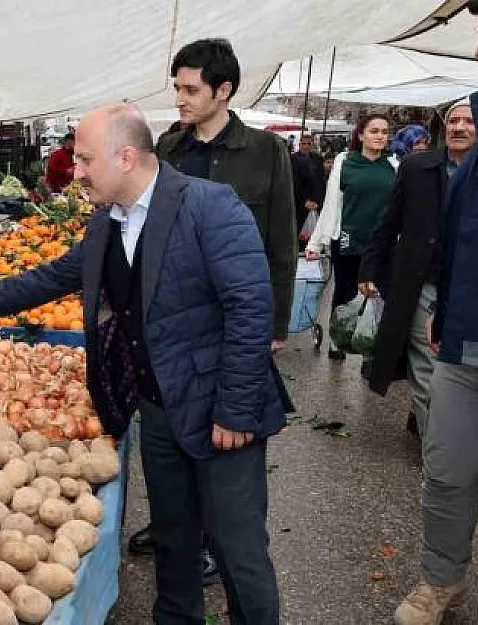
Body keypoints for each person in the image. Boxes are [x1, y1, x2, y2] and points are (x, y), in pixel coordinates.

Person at [0, 103, 285, 625]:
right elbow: (50, 279)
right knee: (174, 540)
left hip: (218, 411)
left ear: (127, 156)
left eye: (86, 159)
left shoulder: (210, 205)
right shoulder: (106, 223)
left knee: (237, 550)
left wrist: (236, 409)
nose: (77, 170)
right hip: (157, 410)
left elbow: (251, 308)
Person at [393, 1, 478, 623]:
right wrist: (447, 307)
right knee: (445, 479)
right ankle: (441, 581)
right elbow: (469, 229)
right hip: (464, 346)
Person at [146, 37, 297, 572]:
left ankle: (220, 541)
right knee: (175, 419)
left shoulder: (264, 152)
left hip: (239, 318)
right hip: (175, 321)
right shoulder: (167, 150)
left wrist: (276, 325)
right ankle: (177, 524)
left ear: (224, 90)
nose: (181, 98)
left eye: (191, 89)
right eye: (178, 87)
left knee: (230, 428)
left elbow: (282, 242)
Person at [358, 100, 476, 438]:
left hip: (469, 287)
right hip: (422, 283)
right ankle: (439, 457)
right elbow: (388, 222)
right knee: (427, 367)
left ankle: (433, 427)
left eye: (469, 121)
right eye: (454, 120)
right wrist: (369, 268)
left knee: (455, 368)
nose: (459, 127)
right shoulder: (415, 167)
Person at [305, 114, 398, 360]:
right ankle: (338, 340)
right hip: (347, 238)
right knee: (345, 291)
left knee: (377, 293)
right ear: (361, 135)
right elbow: (332, 203)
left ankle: (369, 346)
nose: (380, 136)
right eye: (374, 131)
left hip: (381, 244)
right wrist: (316, 242)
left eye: (384, 132)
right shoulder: (344, 161)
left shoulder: (394, 165)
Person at [292, 134, 326, 237]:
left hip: (315, 202)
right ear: (299, 145)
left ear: (312, 145)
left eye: (309, 144)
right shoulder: (292, 159)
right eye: (304, 144)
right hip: (298, 203)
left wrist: (317, 201)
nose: (306, 146)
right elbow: (294, 183)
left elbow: (320, 182)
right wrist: (304, 200)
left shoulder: (318, 159)